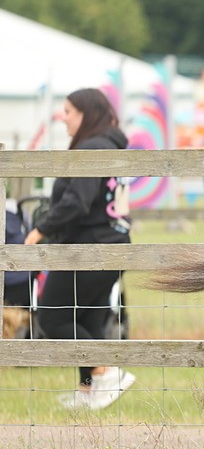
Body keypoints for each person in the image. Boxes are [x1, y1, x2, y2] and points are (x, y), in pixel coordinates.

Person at [24, 89, 134, 410]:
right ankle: (89, 390)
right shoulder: (111, 147)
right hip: (113, 244)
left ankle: (108, 373)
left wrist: (41, 229)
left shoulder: (93, 147)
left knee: (53, 315)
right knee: (87, 317)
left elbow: (78, 201)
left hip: (92, 247)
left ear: (87, 113)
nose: (63, 117)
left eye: (69, 111)